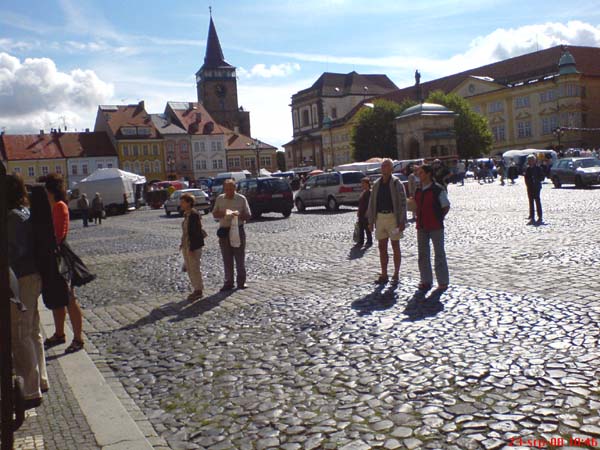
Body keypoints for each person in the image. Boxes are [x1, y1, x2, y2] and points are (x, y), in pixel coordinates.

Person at [6, 174, 48, 409]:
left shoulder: (13, 217)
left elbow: (15, 251)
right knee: (32, 330)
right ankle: (41, 379)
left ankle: (31, 390)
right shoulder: (25, 212)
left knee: (20, 333)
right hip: (32, 275)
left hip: (21, 277)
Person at [41, 173, 93, 353]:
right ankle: (59, 333)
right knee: (57, 298)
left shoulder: (59, 206)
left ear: (50, 190)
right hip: (54, 254)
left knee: (69, 298)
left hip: (60, 256)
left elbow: (58, 234)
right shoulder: (53, 206)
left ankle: (78, 338)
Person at [367, 158, 407, 284]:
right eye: (382, 166)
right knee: (382, 247)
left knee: (395, 246)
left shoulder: (396, 183)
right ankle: (384, 274)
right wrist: (371, 220)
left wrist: (402, 221)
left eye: (386, 166)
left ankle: (396, 273)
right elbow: (372, 203)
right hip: (380, 218)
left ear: (391, 169)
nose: (383, 168)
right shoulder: (377, 184)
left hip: (393, 218)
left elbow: (402, 202)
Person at [414, 164, 450, 294]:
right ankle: (426, 280)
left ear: (428, 174)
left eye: (421, 172)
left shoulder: (437, 189)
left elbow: (445, 206)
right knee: (423, 254)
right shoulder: (418, 190)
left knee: (439, 254)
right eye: (418, 173)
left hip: (435, 226)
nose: (419, 175)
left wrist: (438, 217)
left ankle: (443, 282)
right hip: (422, 226)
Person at [212, 179, 251, 291]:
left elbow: (248, 215)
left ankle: (241, 282)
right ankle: (228, 282)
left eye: (231, 188)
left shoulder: (241, 199)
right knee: (227, 258)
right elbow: (214, 214)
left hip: (238, 230)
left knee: (240, 257)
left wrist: (238, 215)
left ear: (235, 188)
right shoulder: (220, 199)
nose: (229, 191)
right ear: (224, 189)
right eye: (227, 189)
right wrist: (224, 213)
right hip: (224, 231)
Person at [180, 193, 205, 300]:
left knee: (194, 268)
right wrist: (183, 243)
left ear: (189, 203)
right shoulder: (187, 214)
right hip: (187, 244)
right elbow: (186, 231)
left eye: (183, 202)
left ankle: (198, 290)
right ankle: (196, 289)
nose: (181, 204)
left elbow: (196, 233)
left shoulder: (194, 215)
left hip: (193, 246)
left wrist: (192, 248)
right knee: (189, 268)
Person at [524, 154, 544, 225]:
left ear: (534, 161)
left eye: (531, 160)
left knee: (537, 201)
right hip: (530, 187)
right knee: (531, 202)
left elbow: (542, 177)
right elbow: (526, 178)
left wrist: (536, 179)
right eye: (529, 160)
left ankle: (540, 216)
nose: (530, 162)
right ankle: (532, 217)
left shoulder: (538, 168)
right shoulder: (528, 169)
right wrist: (528, 184)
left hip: (536, 187)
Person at [355, 177, 372, 247]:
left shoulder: (369, 192)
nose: (362, 185)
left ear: (367, 184)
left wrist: (367, 212)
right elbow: (360, 203)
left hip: (366, 213)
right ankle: (360, 241)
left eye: (363, 183)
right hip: (361, 213)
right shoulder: (363, 192)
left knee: (367, 228)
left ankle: (369, 241)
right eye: (361, 183)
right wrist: (358, 211)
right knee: (361, 227)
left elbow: (370, 203)